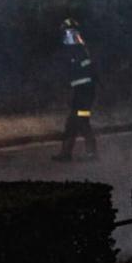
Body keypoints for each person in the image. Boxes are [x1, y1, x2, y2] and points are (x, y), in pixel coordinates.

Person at [52, 18, 98, 162]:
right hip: (80, 93)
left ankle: (91, 153)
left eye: (69, 33)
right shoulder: (76, 51)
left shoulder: (79, 51)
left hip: (84, 95)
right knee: (73, 122)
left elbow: (84, 74)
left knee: (81, 121)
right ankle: (66, 154)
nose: (67, 36)